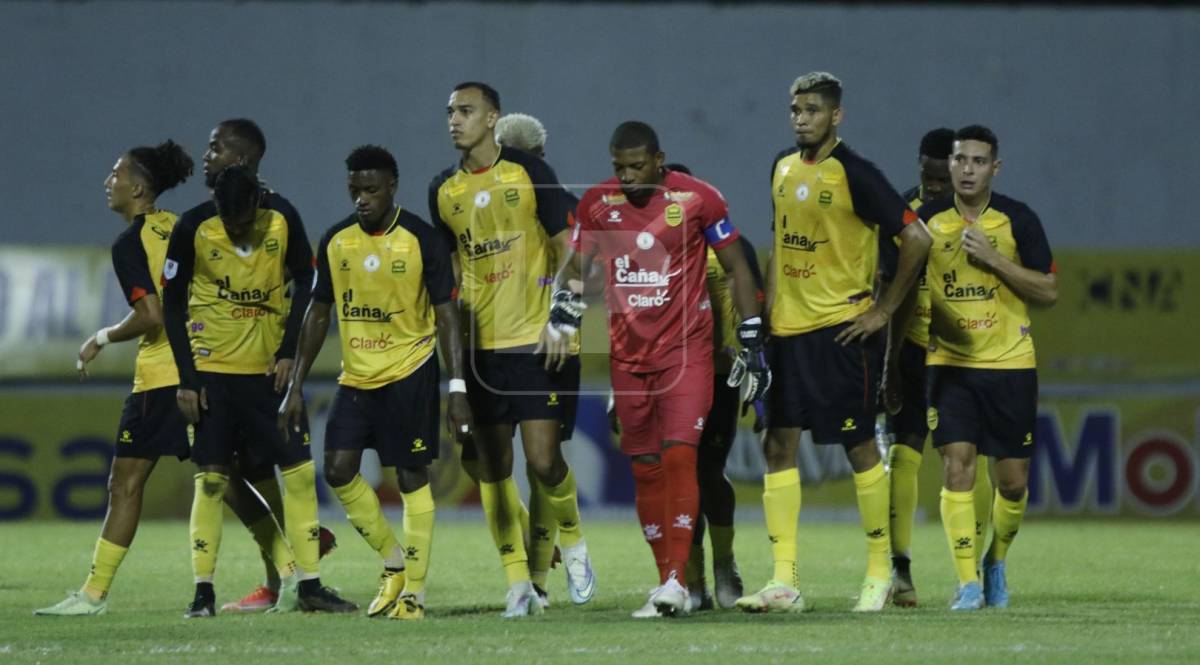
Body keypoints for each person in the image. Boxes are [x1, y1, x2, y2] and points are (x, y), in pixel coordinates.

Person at [542, 121, 766, 618]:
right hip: (628, 359)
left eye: (636, 166)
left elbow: (738, 267)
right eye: (618, 166)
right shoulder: (597, 205)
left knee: (681, 458)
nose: (626, 176)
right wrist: (562, 313)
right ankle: (671, 579)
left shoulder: (698, 199)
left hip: (686, 354)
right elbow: (576, 268)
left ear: (659, 159)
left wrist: (751, 337)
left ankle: (676, 582)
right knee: (644, 470)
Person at [737, 72, 931, 614]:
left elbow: (918, 237)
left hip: (841, 333)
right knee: (777, 445)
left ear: (836, 116)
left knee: (860, 447)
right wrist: (766, 321)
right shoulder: (781, 166)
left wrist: (883, 310)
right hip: (788, 334)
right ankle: (784, 581)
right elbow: (780, 242)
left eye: (813, 110)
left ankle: (879, 572)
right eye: (796, 109)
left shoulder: (857, 173)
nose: (801, 118)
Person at [278, 145, 470, 620]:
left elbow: (447, 315)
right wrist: (294, 386)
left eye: (371, 190)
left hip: (410, 371)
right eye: (354, 190)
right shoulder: (336, 240)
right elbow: (318, 312)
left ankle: (415, 594)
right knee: (339, 470)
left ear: (391, 187)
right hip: (357, 376)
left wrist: (458, 389)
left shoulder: (421, 239)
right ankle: (393, 561)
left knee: (409, 477)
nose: (362, 199)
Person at [162, 153, 354, 616]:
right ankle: (202, 593)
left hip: (269, 377)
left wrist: (289, 351)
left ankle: (310, 585)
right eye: (229, 221)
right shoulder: (192, 228)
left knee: (300, 475)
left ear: (258, 201)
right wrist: (187, 379)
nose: (238, 229)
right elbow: (171, 305)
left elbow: (309, 280)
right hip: (213, 377)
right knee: (210, 482)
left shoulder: (282, 216)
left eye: (245, 220)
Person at [429, 83, 593, 617]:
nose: (454, 119)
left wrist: (564, 320)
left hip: (536, 342)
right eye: (450, 111)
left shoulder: (532, 177)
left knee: (544, 462)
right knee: (490, 466)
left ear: (492, 120)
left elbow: (576, 252)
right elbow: (450, 273)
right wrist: (452, 362)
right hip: (481, 353)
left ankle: (567, 547)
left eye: (466, 110)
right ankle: (522, 583)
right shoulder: (443, 191)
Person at [34, 140, 194, 616]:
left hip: (163, 376)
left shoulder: (131, 242)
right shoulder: (184, 226)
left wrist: (101, 337)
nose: (109, 183)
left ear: (138, 187)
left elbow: (151, 316)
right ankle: (294, 575)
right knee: (229, 475)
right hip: (211, 366)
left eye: (115, 174)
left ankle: (92, 595)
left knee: (124, 483)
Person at [919, 125, 1057, 610]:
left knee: (1012, 481)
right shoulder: (926, 221)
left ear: (994, 167)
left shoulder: (1018, 220)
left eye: (979, 161)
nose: (968, 169)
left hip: (1011, 364)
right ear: (950, 165)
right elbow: (898, 281)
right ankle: (966, 583)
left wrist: (996, 261)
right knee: (956, 466)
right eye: (960, 160)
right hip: (950, 365)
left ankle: (995, 560)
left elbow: (1048, 292)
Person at [884, 127, 994, 607]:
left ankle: (977, 569)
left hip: (964, 353)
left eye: (939, 180)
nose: (931, 189)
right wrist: (886, 359)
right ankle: (900, 568)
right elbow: (888, 284)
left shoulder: (987, 219)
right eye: (925, 178)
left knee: (968, 461)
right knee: (903, 455)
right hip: (910, 349)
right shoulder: (902, 213)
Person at [660, 163, 757, 612]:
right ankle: (690, 573)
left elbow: (755, 310)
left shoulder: (730, 249)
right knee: (677, 473)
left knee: (708, 472)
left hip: (717, 373)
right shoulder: (649, 251)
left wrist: (756, 361)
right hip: (664, 375)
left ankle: (724, 564)